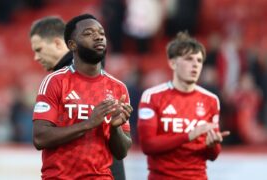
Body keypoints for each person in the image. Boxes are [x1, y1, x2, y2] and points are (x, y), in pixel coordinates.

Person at [32, 14, 133, 179]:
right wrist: (88, 124)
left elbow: (121, 152)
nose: (98, 37)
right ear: (72, 45)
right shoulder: (55, 81)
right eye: (88, 33)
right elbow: (40, 138)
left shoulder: (118, 88)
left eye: (101, 33)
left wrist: (115, 128)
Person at [137, 31, 230, 179]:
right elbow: (148, 145)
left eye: (199, 61)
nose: (195, 65)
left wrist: (213, 145)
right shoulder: (152, 96)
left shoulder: (211, 100)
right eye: (189, 59)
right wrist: (189, 135)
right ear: (172, 63)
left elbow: (213, 155)